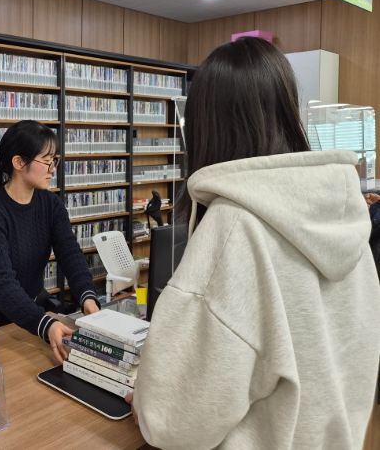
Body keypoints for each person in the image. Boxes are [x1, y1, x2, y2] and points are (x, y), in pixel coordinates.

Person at [127, 37, 380, 450]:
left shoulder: (235, 226)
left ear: (205, 126)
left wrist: (145, 400)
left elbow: (173, 421)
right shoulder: (344, 212)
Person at [0, 120, 100, 363]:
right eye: (46, 161)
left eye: (54, 160)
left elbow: (70, 253)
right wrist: (45, 324)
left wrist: (87, 297)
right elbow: (1, 284)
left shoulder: (50, 204)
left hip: (29, 313)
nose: (52, 169)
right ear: (18, 163)